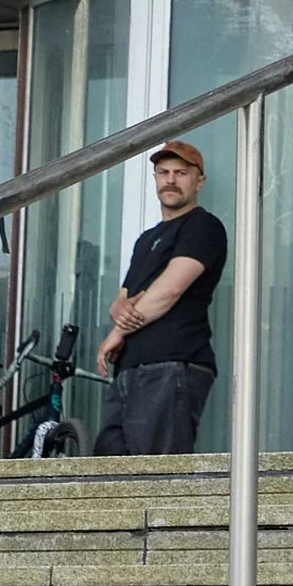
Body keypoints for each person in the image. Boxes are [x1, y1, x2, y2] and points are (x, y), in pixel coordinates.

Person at [95, 140, 228, 456]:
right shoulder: (146, 240)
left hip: (173, 365)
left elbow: (168, 291)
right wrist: (124, 310)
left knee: (157, 477)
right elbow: (121, 301)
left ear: (199, 181)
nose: (170, 179)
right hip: (131, 369)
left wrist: (117, 332)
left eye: (181, 173)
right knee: (110, 470)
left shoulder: (203, 226)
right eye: (163, 172)